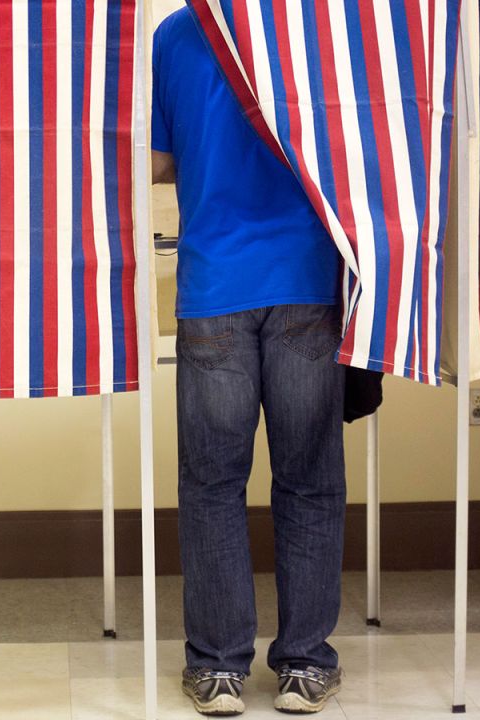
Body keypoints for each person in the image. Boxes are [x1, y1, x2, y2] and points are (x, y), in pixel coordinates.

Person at [151, 6, 347, 716]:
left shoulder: (176, 34)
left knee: (211, 484)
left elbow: (157, 161)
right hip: (308, 278)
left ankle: (218, 669)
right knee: (309, 482)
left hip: (213, 286)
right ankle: (304, 665)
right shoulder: (325, 27)